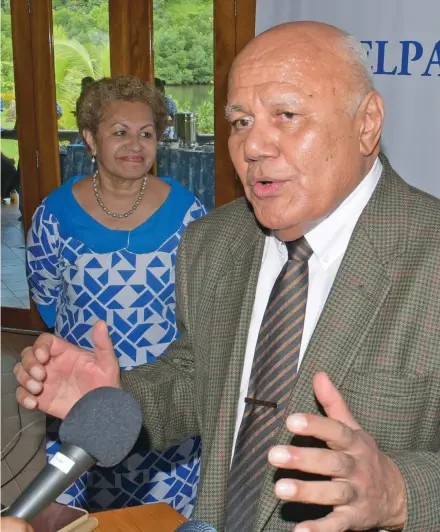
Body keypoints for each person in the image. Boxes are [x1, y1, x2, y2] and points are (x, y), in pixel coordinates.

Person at [15, 22, 440, 531]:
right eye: (240, 122)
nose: (254, 146)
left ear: (367, 121)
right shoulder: (212, 242)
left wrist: (398, 493)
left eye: (286, 115)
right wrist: (120, 395)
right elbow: (198, 378)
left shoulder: (429, 253)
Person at [25, 76, 205, 516]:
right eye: (119, 132)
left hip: (165, 402)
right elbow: (46, 295)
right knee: (79, 519)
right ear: (89, 138)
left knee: (162, 519)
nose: (135, 145)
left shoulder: (189, 212)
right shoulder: (54, 213)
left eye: (146, 133)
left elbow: (201, 308)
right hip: (82, 396)